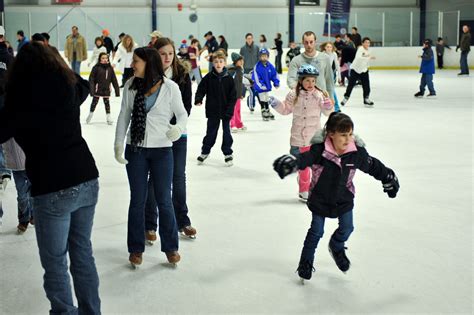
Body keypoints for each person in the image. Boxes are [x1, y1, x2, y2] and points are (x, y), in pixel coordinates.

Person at [0, 41, 101, 314]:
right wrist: (61, 66)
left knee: (56, 262)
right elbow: (83, 84)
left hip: (52, 187)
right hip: (86, 178)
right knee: (82, 254)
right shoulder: (68, 87)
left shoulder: (19, 98)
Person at [273, 112, 399, 281]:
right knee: (316, 231)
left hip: (344, 198)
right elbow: (304, 158)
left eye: (350, 134)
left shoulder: (356, 153)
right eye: (343, 135)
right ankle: (306, 262)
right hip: (320, 198)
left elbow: (373, 166)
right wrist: (292, 162)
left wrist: (387, 176)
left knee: (347, 228)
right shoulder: (319, 151)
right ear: (331, 134)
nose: (347, 139)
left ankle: (336, 245)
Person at [114, 47, 188, 267]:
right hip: (135, 149)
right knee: (137, 200)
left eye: (136, 61)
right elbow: (124, 116)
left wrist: (178, 127)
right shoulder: (129, 86)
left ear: (149, 63)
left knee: (164, 200)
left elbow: (182, 113)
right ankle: (136, 248)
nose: (132, 65)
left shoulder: (170, 88)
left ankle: (171, 247)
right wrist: (119, 143)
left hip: (162, 151)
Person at [144, 37, 196, 243]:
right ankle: (149, 224)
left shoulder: (182, 74)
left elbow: (186, 107)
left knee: (178, 177)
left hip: (177, 134)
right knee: (155, 180)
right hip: (156, 137)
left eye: (170, 53)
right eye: (162, 53)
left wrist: (177, 127)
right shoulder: (148, 75)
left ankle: (182, 220)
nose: (167, 57)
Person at [269, 64, 333, 201]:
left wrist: (328, 105)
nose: (311, 84)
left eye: (313, 81)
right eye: (307, 80)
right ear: (301, 81)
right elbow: (285, 109)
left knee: (315, 166)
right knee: (304, 167)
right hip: (298, 137)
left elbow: (328, 112)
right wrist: (276, 104)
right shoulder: (294, 94)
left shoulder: (318, 95)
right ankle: (304, 190)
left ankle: (314, 187)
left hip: (314, 137)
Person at [195, 50, 237, 166]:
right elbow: (201, 89)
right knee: (211, 133)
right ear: (213, 63)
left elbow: (233, 97)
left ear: (225, 63)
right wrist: (198, 99)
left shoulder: (229, 79)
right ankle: (205, 151)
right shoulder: (209, 77)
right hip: (213, 111)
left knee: (227, 133)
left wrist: (229, 111)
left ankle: (228, 153)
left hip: (225, 111)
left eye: (221, 61)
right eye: (216, 62)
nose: (218, 64)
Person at [287, 31, 335, 105]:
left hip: (322, 99)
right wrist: (300, 91)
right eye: (306, 42)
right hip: (303, 100)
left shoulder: (325, 58)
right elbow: (291, 79)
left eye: (311, 42)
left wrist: (331, 97)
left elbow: (329, 80)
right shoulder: (296, 60)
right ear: (303, 42)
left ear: (315, 41)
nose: (309, 45)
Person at [2, 138, 34, 233]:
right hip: (15, 168)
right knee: (22, 196)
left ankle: (33, 214)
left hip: (30, 164)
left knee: (33, 193)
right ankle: (24, 220)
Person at [340, 37, 375, 107]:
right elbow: (359, 58)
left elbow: (366, 60)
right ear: (362, 43)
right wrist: (368, 57)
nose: (367, 44)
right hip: (355, 69)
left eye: (368, 42)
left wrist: (367, 65)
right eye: (366, 42)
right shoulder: (360, 49)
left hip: (364, 70)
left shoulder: (369, 51)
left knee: (366, 85)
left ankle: (366, 99)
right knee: (351, 84)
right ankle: (346, 98)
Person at [87, 52, 120, 124]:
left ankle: (108, 117)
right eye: (103, 58)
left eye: (106, 58)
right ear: (99, 59)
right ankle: (90, 114)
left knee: (107, 103)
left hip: (106, 89)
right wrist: (92, 90)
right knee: (94, 103)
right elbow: (91, 79)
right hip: (97, 89)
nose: (105, 59)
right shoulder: (96, 68)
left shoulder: (110, 68)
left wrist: (117, 91)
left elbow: (114, 80)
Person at [252, 48, 280, 121]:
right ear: (259, 57)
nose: (264, 57)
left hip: (267, 86)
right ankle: (263, 110)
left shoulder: (270, 65)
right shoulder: (257, 67)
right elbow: (256, 78)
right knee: (262, 98)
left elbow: (274, 75)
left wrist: (276, 82)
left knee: (267, 98)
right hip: (260, 87)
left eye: (265, 56)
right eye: (262, 56)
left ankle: (267, 110)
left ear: (268, 56)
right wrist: (261, 86)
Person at [239, 33, 260, 112]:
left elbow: (259, 59)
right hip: (246, 71)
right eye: (248, 38)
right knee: (248, 89)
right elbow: (240, 60)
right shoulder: (242, 49)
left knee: (254, 89)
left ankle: (252, 104)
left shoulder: (257, 48)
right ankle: (250, 104)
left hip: (254, 71)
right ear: (246, 39)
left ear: (252, 39)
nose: (249, 40)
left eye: (250, 38)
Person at [228, 52, 247, 132]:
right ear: (236, 61)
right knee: (233, 110)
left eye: (242, 60)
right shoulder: (232, 70)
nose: (242, 62)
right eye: (240, 61)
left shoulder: (240, 69)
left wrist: (242, 93)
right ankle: (232, 124)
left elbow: (241, 82)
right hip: (232, 94)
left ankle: (238, 124)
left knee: (238, 110)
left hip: (238, 94)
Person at [320, 42, 341, 112]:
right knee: (322, 90)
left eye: (330, 47)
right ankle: (323, 106)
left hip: (330, 74)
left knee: (331, 90)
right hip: (322, 74)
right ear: (325, 47)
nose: (329, 48)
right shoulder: (322, 54)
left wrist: (339, 76)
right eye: (327, 47)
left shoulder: (334, 54)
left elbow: (337, 65)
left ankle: (337, 107)